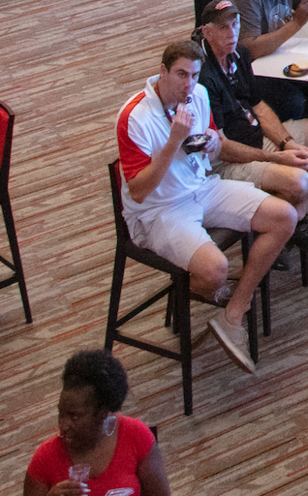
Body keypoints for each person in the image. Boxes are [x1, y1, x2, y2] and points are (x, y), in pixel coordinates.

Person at [116, 38, 298, 371]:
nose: (189, 84)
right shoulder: (134, 117)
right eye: (181, 75)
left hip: (203, 186)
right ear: (162, 72)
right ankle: (195, 287)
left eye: (195, 75)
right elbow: (140, 190)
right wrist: (173, 141)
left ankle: (232, 315)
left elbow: (213, 141)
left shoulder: (198, 96)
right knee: (216, 270)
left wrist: (215, 143)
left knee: (284, 216)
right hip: (160, 210)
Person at [195, 0, 308, 257]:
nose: (232, 33)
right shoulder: (203, 78)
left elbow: (259, 106)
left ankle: (294, 220)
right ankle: (285, 228)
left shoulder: (237, 53)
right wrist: (276, 157)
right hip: (226, 161)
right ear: (206, 32)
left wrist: (288, 143)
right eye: (223, 28)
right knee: (298, 180)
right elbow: (220, 147)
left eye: (235, 24)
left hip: (254, 137)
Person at [19, 350, 175, 496]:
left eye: (74, 416)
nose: (63, 425)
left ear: (103, 412)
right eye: (61, 413)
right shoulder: (44, 460)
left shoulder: (136, 436)